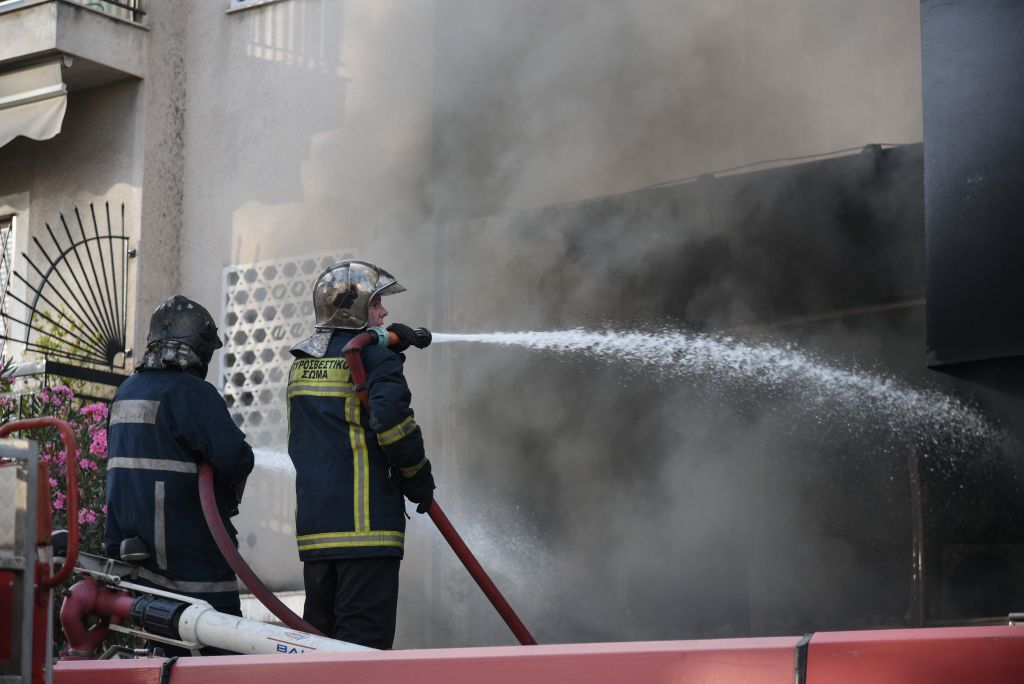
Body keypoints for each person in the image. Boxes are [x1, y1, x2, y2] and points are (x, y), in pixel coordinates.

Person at [287, 259, 435, 650]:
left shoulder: (303, 363)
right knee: (361, 652)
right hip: (367, 531)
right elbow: (392, 423)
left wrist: (391, 347)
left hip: (318, 536)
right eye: (376, 304)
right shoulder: (374, 359)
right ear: (352, 310)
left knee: (319, 648)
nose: (384, 312)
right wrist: (418, 476)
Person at [104, 295, 254, 641]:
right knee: (219, 660)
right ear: (200, 349)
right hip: (192, 566)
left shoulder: (126, 391)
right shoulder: (191, 393)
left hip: (138, 565)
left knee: (161, 658)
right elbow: (236, 459)